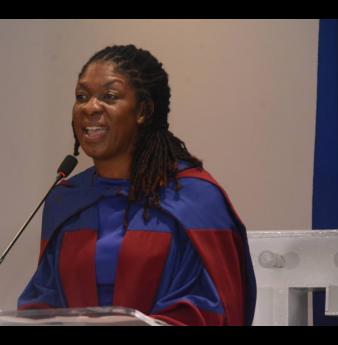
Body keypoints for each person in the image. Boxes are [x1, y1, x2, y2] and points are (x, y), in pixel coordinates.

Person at [17, 44, 256, 326]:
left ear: (142, 110)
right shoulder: (67, 200)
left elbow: (210, 308)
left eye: (109, 96)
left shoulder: (195, 199)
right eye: (81, 96)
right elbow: (43, 299)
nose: (90, 107)